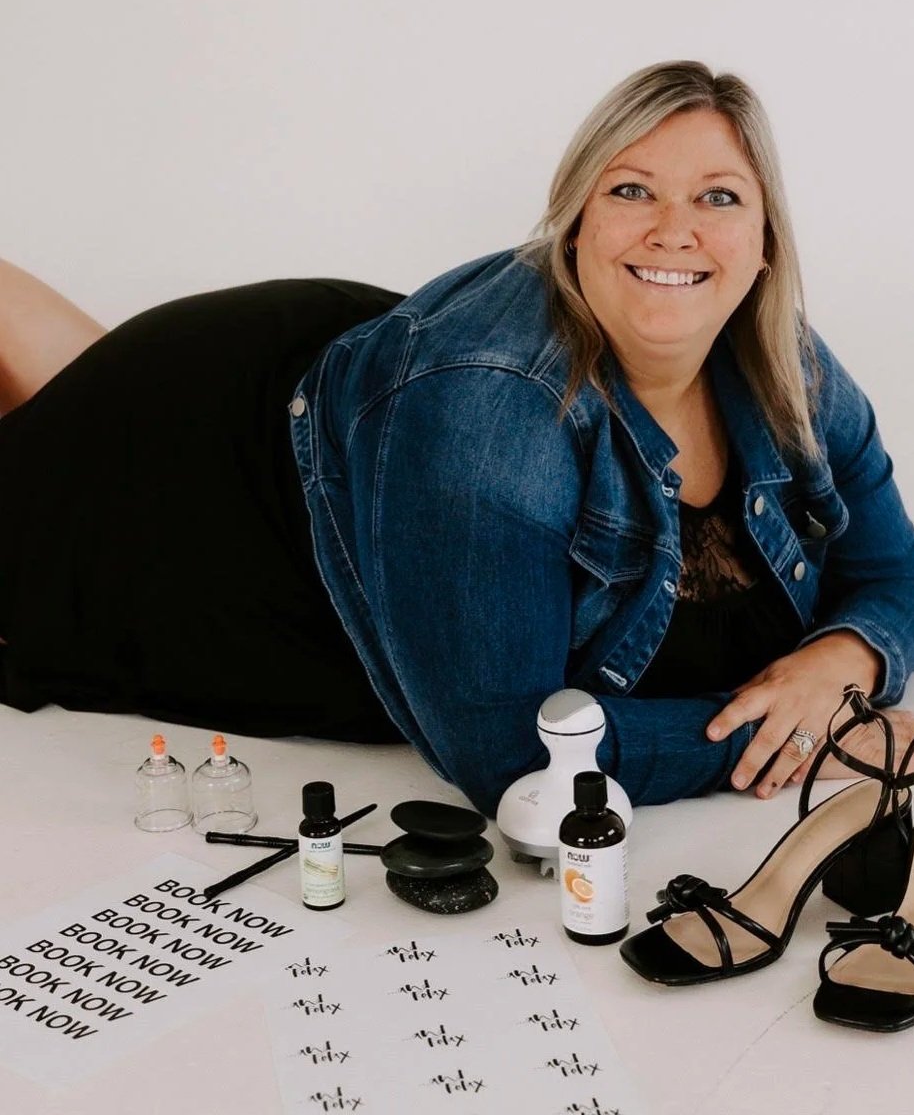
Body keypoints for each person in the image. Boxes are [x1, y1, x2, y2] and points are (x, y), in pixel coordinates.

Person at [1, 59, 913, 817]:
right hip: (208, 485)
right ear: (573, 231)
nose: (676, 230)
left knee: (64, 383)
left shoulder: (779, 358)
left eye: (718, 197)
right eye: (631, 189)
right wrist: (813, 735)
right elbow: (510, 749)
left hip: (349, 385)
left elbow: (895, 573)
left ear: (764, 246)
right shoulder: (490, 420)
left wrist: (848, 653)